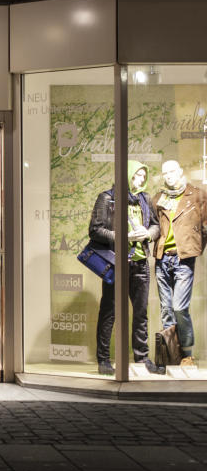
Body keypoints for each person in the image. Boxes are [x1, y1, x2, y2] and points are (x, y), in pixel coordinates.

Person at [88, 160, 162, 376]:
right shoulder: (107, 197)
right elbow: (95, 230)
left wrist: (147, 234)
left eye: (143, 176)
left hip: (140, 263)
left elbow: (156, 226)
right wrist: (123, 236)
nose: (141, 179)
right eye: (137, 175)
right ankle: (103, 359)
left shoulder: (144, 199)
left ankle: (141, 358)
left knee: (141, 314)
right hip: (115, 263)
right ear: (127, 175)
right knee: (109, 312)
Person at [152, 160, 207, 367]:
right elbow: (155, 226)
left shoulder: (197, 195)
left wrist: (195, 247)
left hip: (183, 258)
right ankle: (171, 354)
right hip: (162, 257)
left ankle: (187, 352)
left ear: (180, 171)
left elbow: (205, 227)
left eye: (172, 171)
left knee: (179, 306)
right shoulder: (159, 198)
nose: (168, 176)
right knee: (166, 308)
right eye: (165, 173)